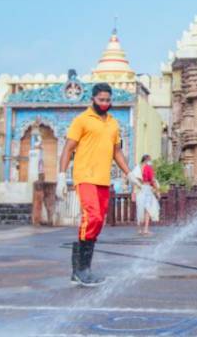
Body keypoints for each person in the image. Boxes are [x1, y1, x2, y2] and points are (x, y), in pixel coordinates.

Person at [56, 83, 130, 287]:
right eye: (101, 100)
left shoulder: (114, 124)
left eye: (108, 100)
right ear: (93, 99)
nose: (105, 104)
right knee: (92, 216)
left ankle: (81, 270)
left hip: (103, 179)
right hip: (85, 176)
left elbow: (117, 152)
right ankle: (81, 270)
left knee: (97, 222)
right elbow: (68, 148)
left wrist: (130, 174)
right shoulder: (81, 120)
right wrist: (62, 175)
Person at [130, 154, 160, 236]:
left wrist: (133, 193)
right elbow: (152, 180)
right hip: (146, 189)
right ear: (147, 160)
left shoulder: (137, 168)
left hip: (138, 190)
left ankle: (139, 230)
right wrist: (157, 190)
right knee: (148, 210)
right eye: (150, 160)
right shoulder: (148, 168)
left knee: (139, 209)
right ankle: (146, 230)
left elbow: (133, 181)